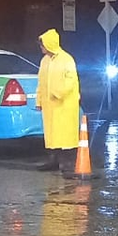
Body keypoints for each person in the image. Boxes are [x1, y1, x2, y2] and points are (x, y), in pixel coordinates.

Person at [35, 29, 81, 173]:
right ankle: (53, 161)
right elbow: (41, 82)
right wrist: (39, 101)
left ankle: (67, 165)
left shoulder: (66, 59)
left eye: (42, 45)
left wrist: (57, 93)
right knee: (51, 134)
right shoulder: (45, 61)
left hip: (64, 105)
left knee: (65, 136)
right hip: (50, 105)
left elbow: (71, 80)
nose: (41, 48)